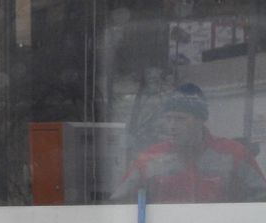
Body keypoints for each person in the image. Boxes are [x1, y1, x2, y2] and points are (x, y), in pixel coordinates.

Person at [112, 87, 266, 204]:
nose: (171, 126)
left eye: (180, 119)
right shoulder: (149, 159)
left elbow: (261, 199)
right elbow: (119, 204)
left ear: (200, 120)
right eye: (168, 118)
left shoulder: (234, 154)